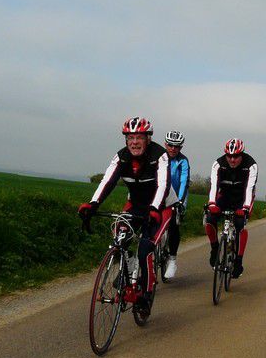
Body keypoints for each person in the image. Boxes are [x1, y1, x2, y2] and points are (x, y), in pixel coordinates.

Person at [77, 116, 173, 317]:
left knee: (145, 248)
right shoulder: (121, 157)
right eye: (130, 138)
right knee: (119, 235)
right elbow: (107, 181)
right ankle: (127, 268)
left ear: (148, 139)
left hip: (161, 206)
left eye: (139, 137)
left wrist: (154, 208)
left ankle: (146, 295)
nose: (134, 142)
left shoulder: (160, 155)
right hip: (136, 205)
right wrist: (93, 204)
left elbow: (163, 185)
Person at [204, 138, 258, 278]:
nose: (232, 160)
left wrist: (245, 208)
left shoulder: (251, 165)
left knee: (240, 224)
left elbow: (249, 188)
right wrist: (212, 204)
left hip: (242, 198)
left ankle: (238, 261)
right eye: (229, 156)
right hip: (225, 196)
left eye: (236, 156)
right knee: (210, 219)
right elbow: (214, 185)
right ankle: (215, 248)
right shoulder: (218, 164)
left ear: (242, 154)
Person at [150, 130, 190, 279]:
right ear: (165, 144)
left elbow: (184, 181)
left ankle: (172, 259)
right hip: (160, 194)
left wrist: (179, 201)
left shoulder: (183, 161)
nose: (173, 148)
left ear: (181, 147)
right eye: (170, 145)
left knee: (174, 224)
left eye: (177, 146)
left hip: (177, 196)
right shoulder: (158, 158)